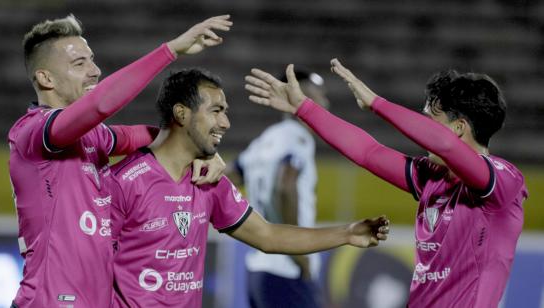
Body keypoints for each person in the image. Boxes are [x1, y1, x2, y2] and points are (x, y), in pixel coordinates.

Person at [245, 61, 528, 307]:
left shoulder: (503, 181)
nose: (424, 124)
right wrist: (305, 109)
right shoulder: (432, 177)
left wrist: (376, 104)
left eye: (431, 119)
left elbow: (444, 145)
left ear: (459, 127)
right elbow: (368, 152)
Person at [109, 68, 390, 308]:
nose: (226, 123)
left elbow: (267, 236)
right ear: (181, 113)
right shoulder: (124, 181)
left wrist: (348, 233)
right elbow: (85, 263)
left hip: (261, 272)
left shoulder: (209, 181)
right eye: (216, 111)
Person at [8, 14, 231, 308]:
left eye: (92, 60)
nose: (95, 71)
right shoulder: (32, 132)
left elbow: (152, 136)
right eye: (80, 64)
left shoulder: (94, 136)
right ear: (45, 78)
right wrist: (171, 50)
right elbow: (101, 104)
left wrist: (204, 150)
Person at [226, 69, 329, 308]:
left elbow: (227, 176)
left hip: (259, 266)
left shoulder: (265, 139)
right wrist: (298, 252)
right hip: (287, 269)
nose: (326, 103)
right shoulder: (298, 138)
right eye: (319, 96)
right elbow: (286, 184)